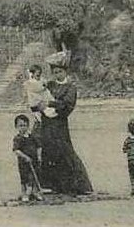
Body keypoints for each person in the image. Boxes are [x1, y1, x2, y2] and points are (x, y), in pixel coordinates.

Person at [37, 51, 94, 195]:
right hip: (47, 123)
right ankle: (51, 185)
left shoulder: (70, 88)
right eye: (55, 72)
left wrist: (51, 104)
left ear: (65, 72)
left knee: (65, 151)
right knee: (48, 151)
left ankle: (79, 186)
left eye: (60, 72)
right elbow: (38, 96)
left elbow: (67, 105)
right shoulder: (49, 85)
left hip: (60, 124)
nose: (58, 75)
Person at [12, 114, 43, 202]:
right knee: (24, 178)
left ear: (28, 126)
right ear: (16, 127)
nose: (23, 128)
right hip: (23, 163)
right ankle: (24, 193)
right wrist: (25, 157)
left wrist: (39, 156)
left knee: (34, 176)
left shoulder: (32, 136)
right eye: (20, 126)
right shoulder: (18, 138)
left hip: (34, 161)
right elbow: (16, 150)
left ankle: (35, 192)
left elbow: (39, 146)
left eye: (25, 125)